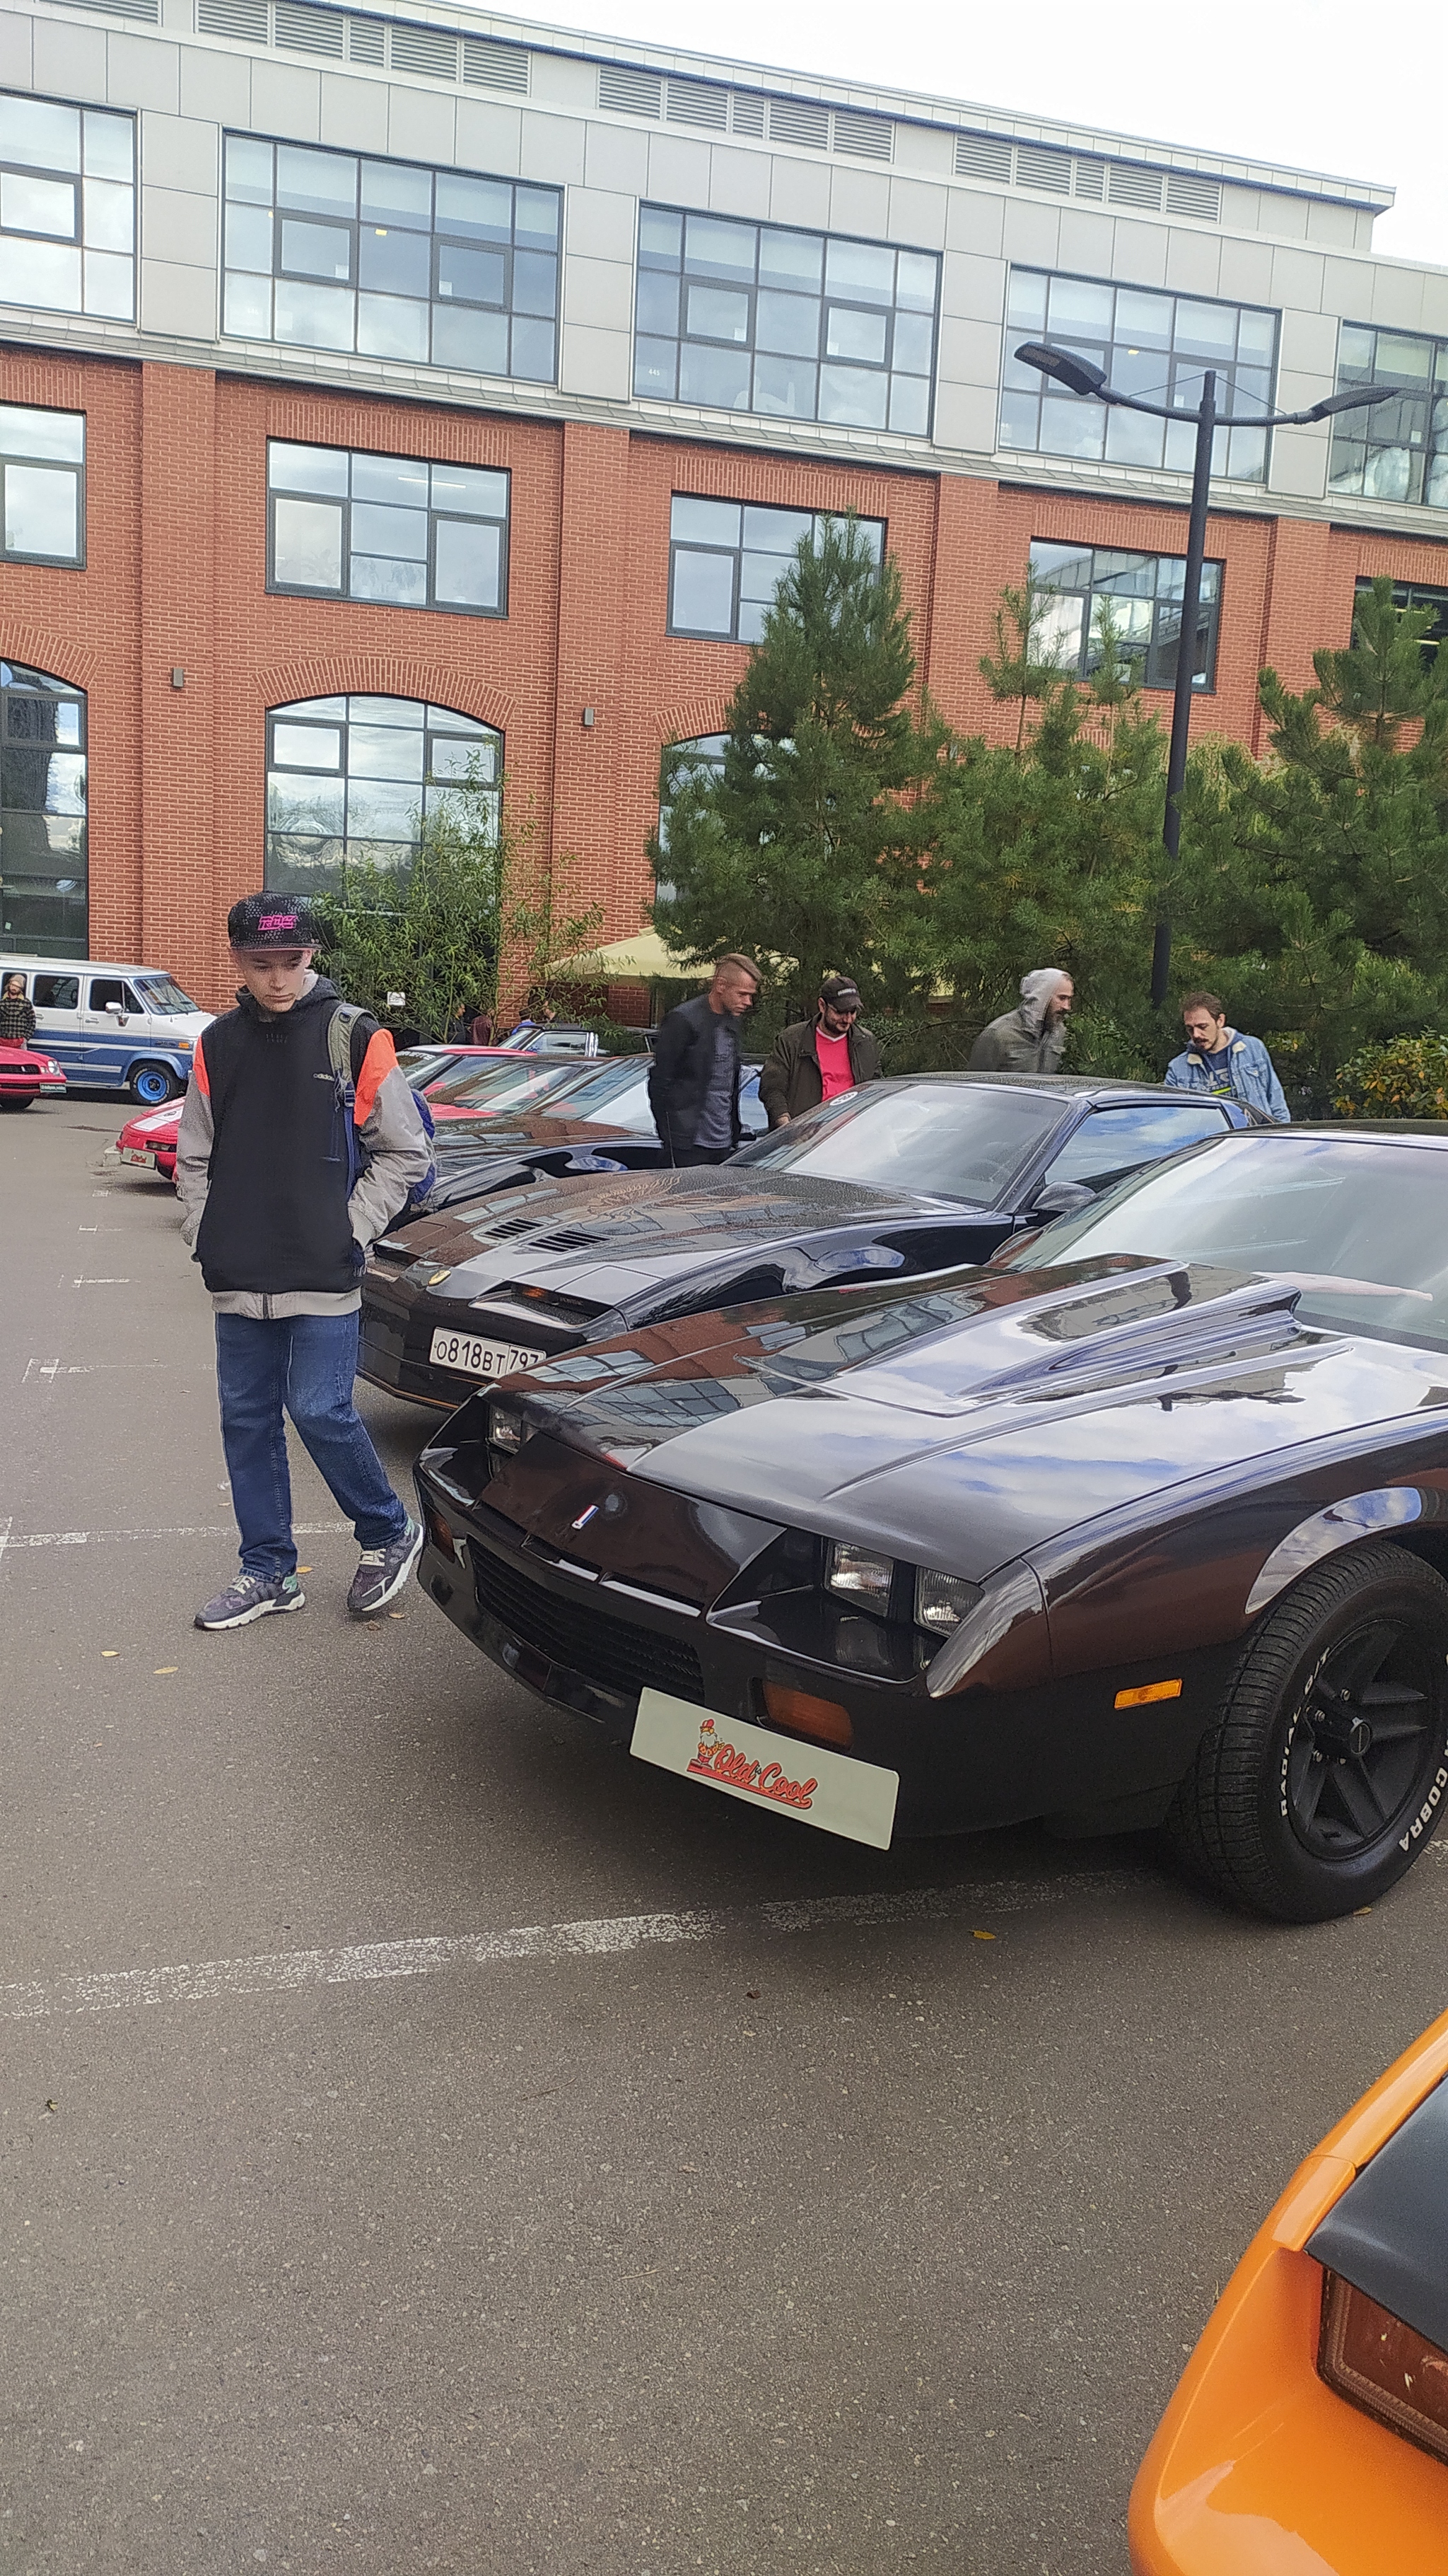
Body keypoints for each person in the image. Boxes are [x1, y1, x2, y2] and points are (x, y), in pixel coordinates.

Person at [177, 893, 434, 1631]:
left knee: (318, 1407)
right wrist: (205, 1232)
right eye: (262, 964)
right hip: (237, 1272)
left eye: (290, 962)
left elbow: (404, 1152)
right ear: (238, 961)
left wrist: (347, 1230)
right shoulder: (215, 1043)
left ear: (310, 956)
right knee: (246, 1421)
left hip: (322, 1269)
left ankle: (387, 1532)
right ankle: (268, 1569)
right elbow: (194, 1155)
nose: (279, 978)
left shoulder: (354, 1035)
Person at [648, 953, 761, 1166]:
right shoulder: (683, 1020)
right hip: (687, 1145)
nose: (748, 1002)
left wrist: (735, 1131)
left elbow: (730, 1084)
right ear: (720, 985)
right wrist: (670, 1136)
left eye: (750, 995)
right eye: (742, 994)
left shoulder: (732, 1023)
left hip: (724, 1142)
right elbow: (660, 1081)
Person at [759, 976, 882, 1128]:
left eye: (853, 1011)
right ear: (822, 1006)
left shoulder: (866, 1042)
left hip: (853, 1135)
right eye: (840, 1012)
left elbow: (876, 1089)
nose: (848, 1019)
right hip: (805, 1139)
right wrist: (788, 1129)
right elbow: (771, 1089)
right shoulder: (791, 1040)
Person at [1166, 990, 1290, 1123]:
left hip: (1257, 1139)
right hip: (1213, 1142)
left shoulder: (1253, 1048)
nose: (1196, 1034)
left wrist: (1284, 1139)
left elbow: (1276, 1102)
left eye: (1202, 1027)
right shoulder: (1178, 1069)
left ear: (1220, 1021)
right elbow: (1172, 1119)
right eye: (1190, 1029)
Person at [970, 969, 1074, 1074]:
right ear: (1042, 997)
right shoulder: (999, 1035)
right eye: (1062, 998)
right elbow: (975, 1084)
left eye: (1069, 999)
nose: (1067, 1007)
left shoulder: (1059, 1033)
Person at [0, 972, 35, 1044]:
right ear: (9, 985)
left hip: (19, 1042)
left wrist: (25, 1039)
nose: (14, 988)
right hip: (2, 1041)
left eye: (17, 987)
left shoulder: (26, 1003)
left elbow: (32, 1022)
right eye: (13, 985)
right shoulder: (1, 1002)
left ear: (21, 989)